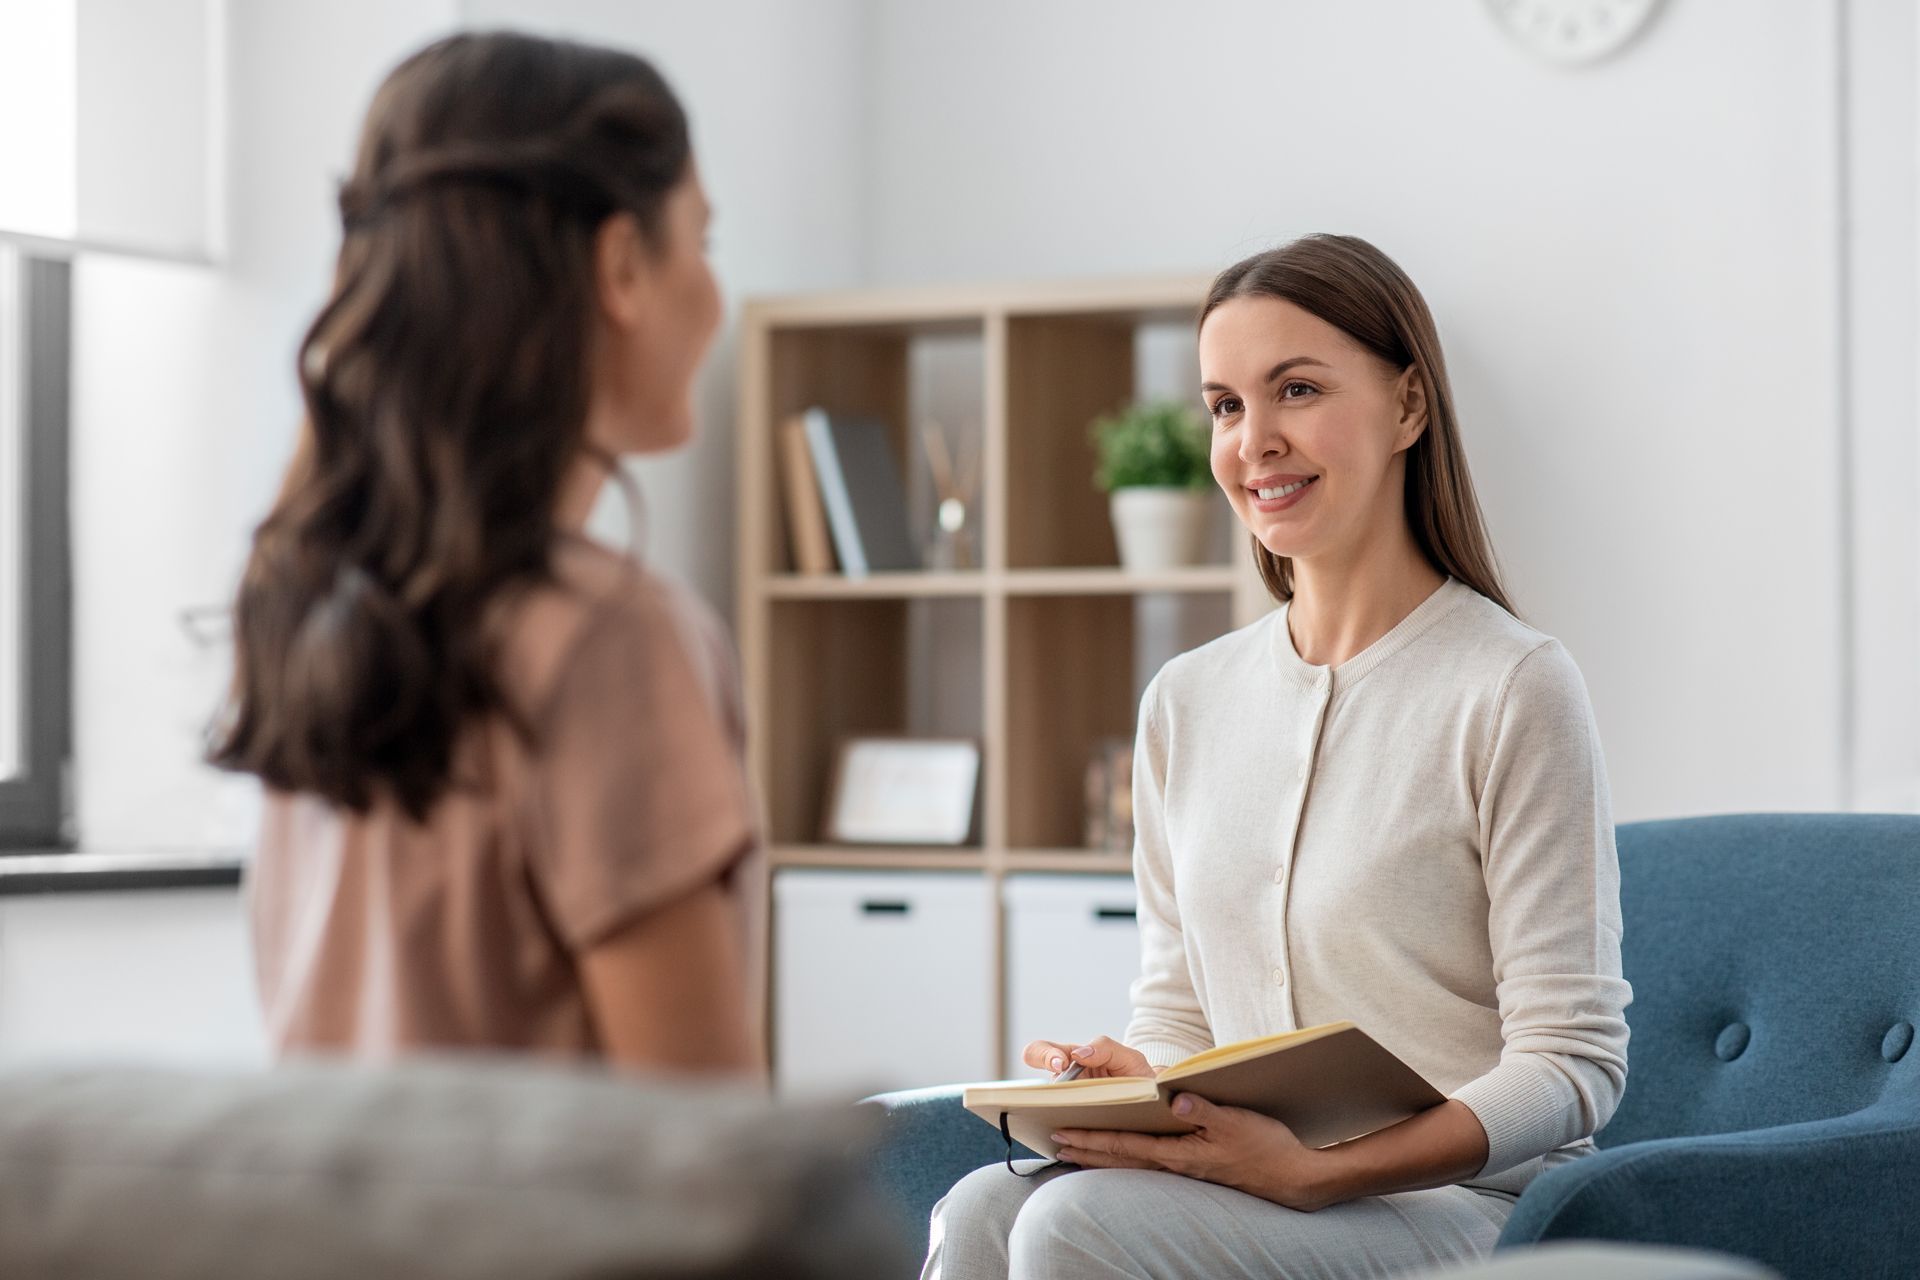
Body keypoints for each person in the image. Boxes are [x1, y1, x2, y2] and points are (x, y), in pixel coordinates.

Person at [923, 234, 1631, 1278]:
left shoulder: (1512, 684)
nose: (1254, 440)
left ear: (1408, 406)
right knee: (985, 1205)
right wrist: (1139, 1084)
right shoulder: (1188, 701)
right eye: (1224, 404)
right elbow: (1177, 1010)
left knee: (1069, 1227)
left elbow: (1572, 1064)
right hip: (1262, 1182)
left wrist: (1319, 1172)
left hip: (1465, 1206)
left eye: (1295, 389)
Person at [212, 31, 761, 1076]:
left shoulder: (304, 602)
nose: (714, 294)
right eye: (703, 240)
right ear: (621, 268)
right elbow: (703, 1162)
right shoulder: (607, 634)